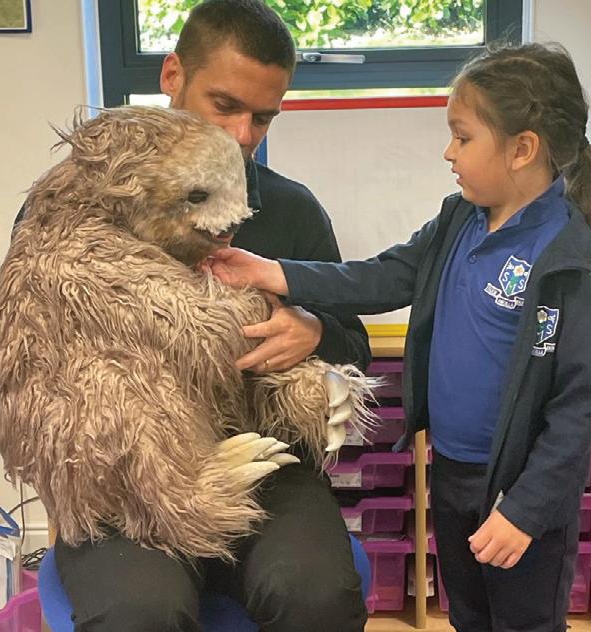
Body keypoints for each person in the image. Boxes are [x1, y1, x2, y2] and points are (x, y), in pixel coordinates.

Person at [209, 42, 591, 632]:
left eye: (463, 137)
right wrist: (274, 272)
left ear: (522, 149)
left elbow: (577, 409)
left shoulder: (567, 263)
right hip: (451, 472)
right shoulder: (457, 220)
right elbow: (380, 276)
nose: (449, 152)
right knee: (468, 615)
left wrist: (526, 511)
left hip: (521, 490)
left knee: (524, 623)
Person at [39, 1, 371, 631]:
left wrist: (315, 332)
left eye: (263, 116)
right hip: (124, 469)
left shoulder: (292, 210)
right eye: (225, 105)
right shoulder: (75, 204)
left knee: (316, 597)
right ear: (172, 76)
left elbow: (353, 345)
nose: (243, 135)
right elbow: (29, 346)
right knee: (139, 614)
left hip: (263, 459)